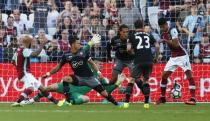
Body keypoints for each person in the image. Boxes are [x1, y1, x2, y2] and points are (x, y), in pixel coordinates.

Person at [41, 35, 123, 107]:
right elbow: (58, 67)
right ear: (73, 44)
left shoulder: (83, 52)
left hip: (90, 78)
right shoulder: (67, 56)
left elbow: (92, 63)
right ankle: (68, 100)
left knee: (104, 94)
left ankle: (116, 103)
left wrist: (98, 72)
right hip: (78, 78)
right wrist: (48, 74)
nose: (80, 44)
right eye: (78, 43)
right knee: (66, 79)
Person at [155, 18, 196, 105]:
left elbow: (176, 45)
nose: (162, 29)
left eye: (163, 27)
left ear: (166, 24)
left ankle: (193, 98)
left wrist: (165, 41)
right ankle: (163, 98)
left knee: (189, 75)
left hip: (182, 55)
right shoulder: (163, 33)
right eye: (160, 27)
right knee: (164, 75)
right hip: (173, 57)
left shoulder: (172, 30)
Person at [11, 35, 59, 106]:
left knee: (42, 88)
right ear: (29, 43)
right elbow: (35, 54)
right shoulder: (25, 50)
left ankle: (56, 102)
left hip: (22, 73)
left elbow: (12, 61)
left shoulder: (18, 50)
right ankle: (18, 102)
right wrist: (42, 45)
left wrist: (19, 69)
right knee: (31, 88)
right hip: (25, 73)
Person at [122, 20, 160, 109]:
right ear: (142, 26)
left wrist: (134, 53)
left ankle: (126, 103)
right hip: (149, 60)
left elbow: (128, 49)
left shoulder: (131, 36)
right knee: (146, 80)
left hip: (138, 60)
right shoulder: (148, 35)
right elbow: (157, 46)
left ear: (134, 27)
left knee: (131, 79)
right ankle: (146, 103)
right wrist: (156, 57)